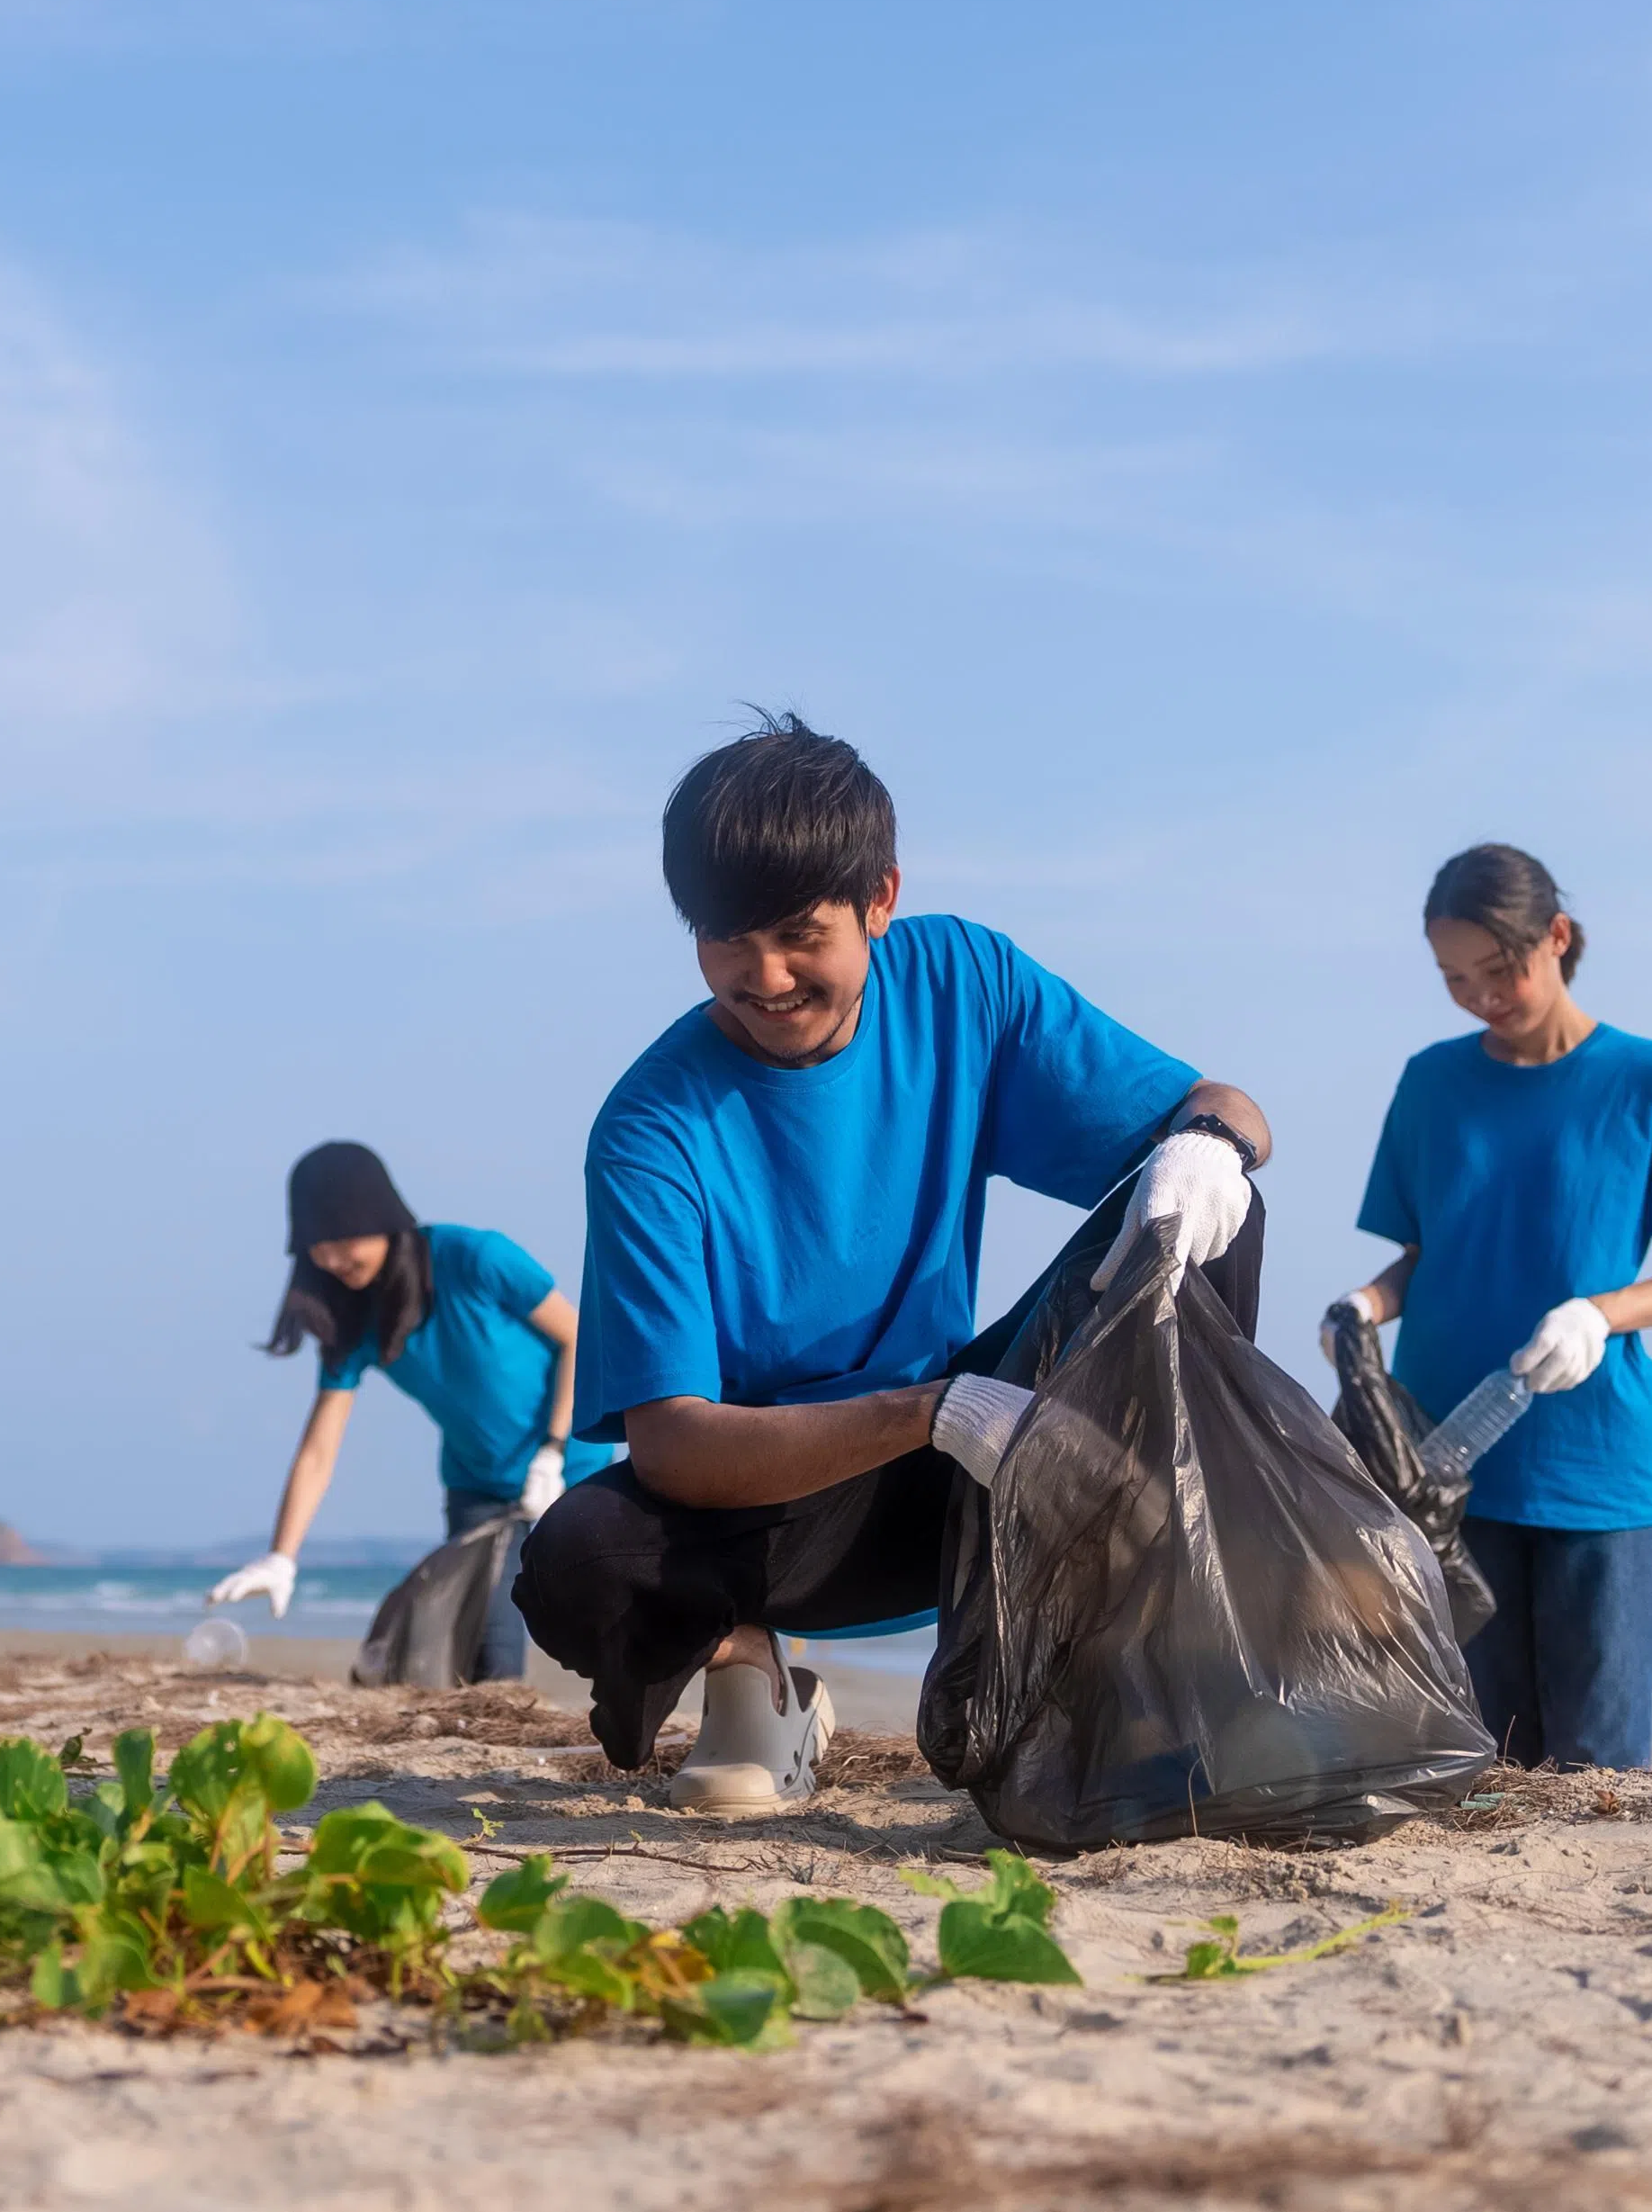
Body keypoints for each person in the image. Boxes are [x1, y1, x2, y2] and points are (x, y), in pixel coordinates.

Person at [512, 715, 1271, 1816]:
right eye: (725, 938)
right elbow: (673, 1444)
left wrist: (1215, 1146)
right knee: (576, 1559)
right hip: (794, 1501)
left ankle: (1146, 1653)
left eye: (796, 934)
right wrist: (934, 1410)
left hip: (1017, 1461)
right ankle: (758, 1681)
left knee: (1217, 1207)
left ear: (880, 898)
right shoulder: (651, 1127)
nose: (761, 976)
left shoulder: (964, 981)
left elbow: (1221, 1105)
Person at [1334, 845, 1652, 1770]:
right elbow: (1425, 1256)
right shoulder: (1431, 1083)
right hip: (1445, 1473)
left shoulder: (1649, 1079)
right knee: (1485, 1762)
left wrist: (1600, 1311)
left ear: (1555, 937)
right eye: (1454, 977)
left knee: (1598, 1769)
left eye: (1498, 969)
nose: (1480, 995)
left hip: (1598, 1472)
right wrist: (1365, 1304)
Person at [205, 1143, 599, 1683]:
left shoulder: (476, 1257)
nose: (334, 1261)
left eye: (344, 1242)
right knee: (486, 1660)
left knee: (607, 1625)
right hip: (479, 1488)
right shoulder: (353, 1318)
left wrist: (552, 1452)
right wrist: (282, 1556)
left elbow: (580, 1339)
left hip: (579, 1469)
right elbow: (320, 1448)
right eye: (318, 1248)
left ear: (385, 1219)